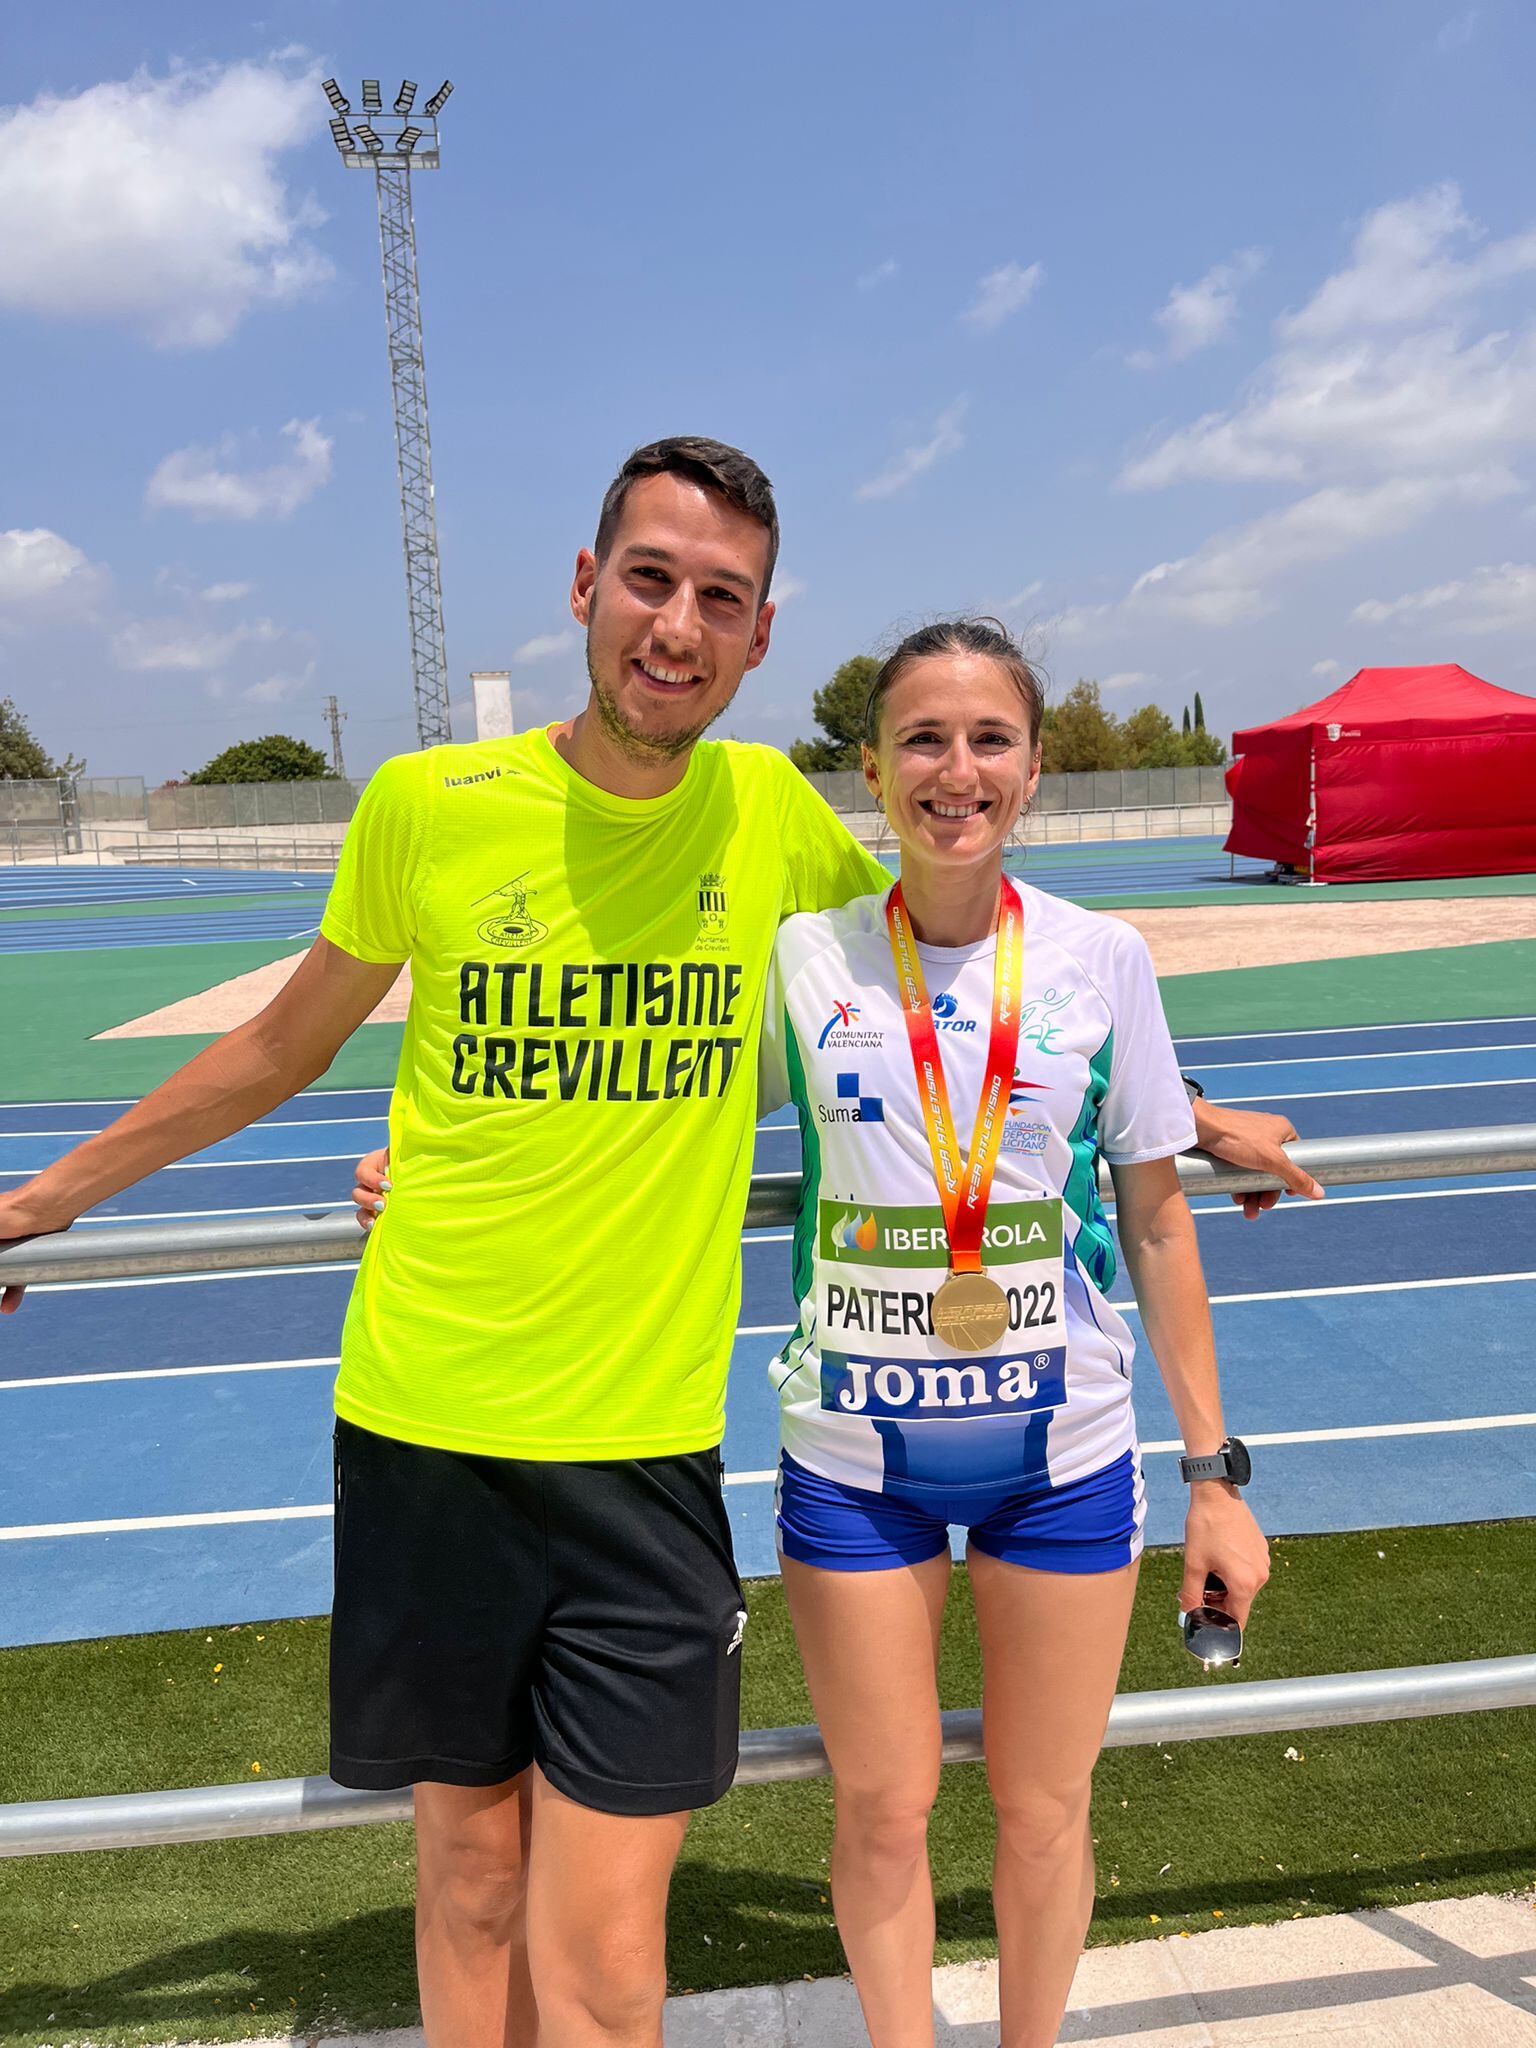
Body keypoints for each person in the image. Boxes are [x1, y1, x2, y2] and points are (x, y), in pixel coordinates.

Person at [0, 443, 1314, 2048]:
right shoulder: (428, 807)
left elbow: (975, 967)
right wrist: (42, 1201)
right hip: (428, 1422)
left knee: (614, 1963)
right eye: (651, 579)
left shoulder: (767, 818)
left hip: (645, 1448)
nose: (677, 624)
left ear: (760, 640)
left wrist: (1196, 1120)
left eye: (721, 598)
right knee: (471, 1879)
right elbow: (276, 1051)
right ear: (584, 586)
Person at [752, 618, 1269, 2048]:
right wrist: (437, 1155)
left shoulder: (1104, 959)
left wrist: (1214, 1477)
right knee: (881, 1804)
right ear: (870, 766)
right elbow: (649, 1118)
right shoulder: (806, 958)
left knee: (1044, 1807)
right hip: (857, 1457)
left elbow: (1158, 1223)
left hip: (1067, 1453)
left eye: (989, 740)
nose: (955, 770)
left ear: (1036, 769)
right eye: (923, 737)